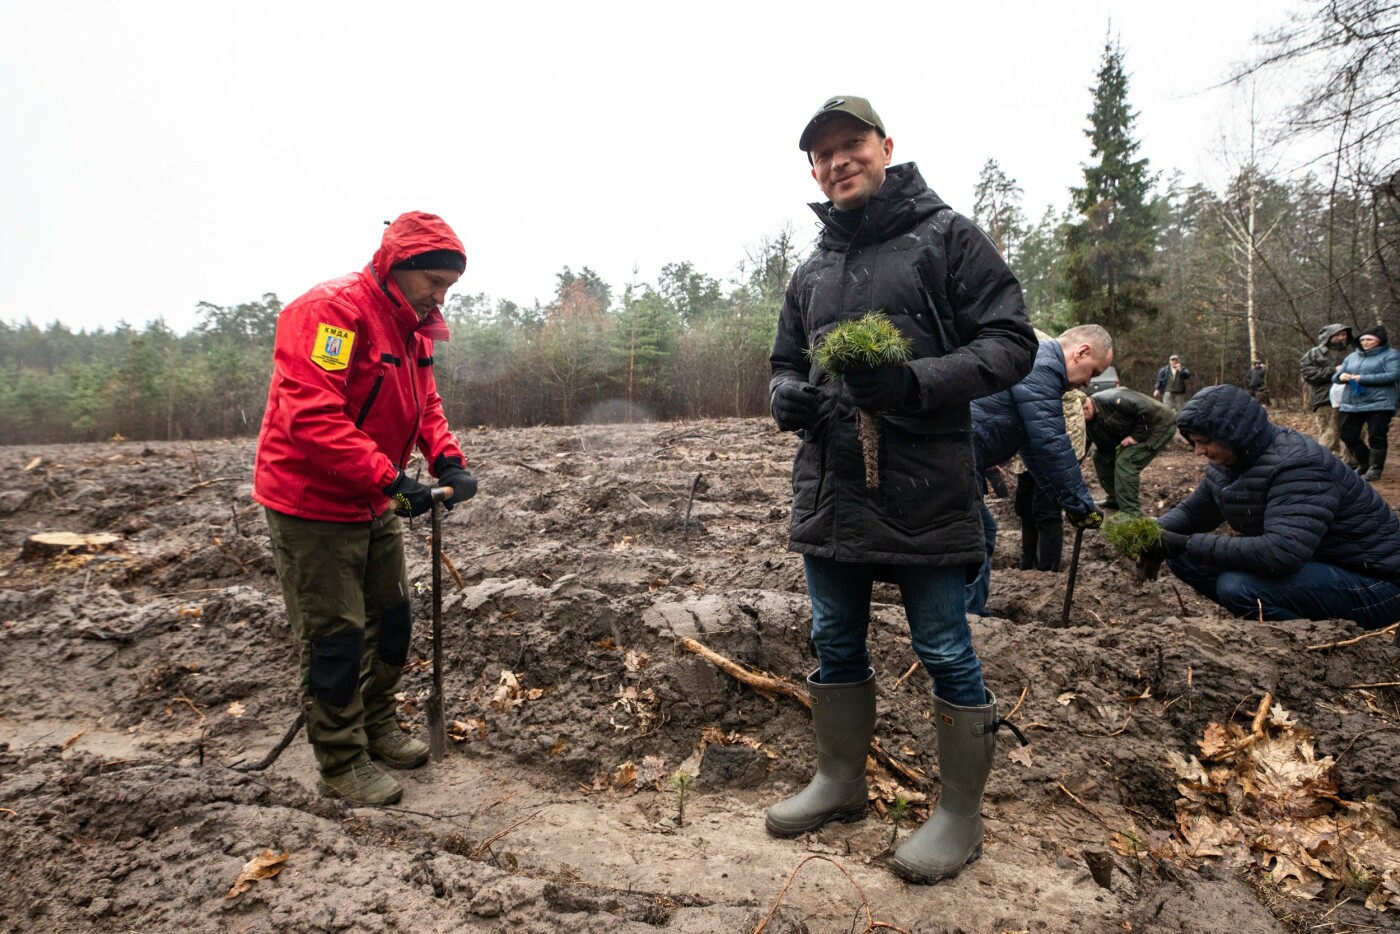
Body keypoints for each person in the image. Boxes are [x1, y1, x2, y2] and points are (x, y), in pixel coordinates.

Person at [767, 95, 1037, 884]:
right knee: (835, 637)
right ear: (812, 169)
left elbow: (1011, 342)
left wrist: (911, 382)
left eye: (852, 144)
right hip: (832, 486)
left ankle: (959, 815)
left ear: (886, 146)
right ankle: (840, 781)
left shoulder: (947, 236)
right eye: (823, 154)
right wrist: (787, 394)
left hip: (924, 482)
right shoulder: (812, 267)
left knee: (946, 646)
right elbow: (786, 361)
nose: (838, 160)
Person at [253, 212, 479, 807]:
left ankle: (376, 725)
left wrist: (447, 459)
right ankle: (341, 760)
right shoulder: (332, 314)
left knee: (392, 620)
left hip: (372, 497)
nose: (440, 296)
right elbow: (313, 417)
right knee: (336, 637)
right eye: (433, 281)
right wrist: (391, 481)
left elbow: (425, 402)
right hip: (312, 503)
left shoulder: (416, 329)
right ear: (397, 267)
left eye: (449, 287)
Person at [1144, 385, 1400, 629]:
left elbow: (1281, 553)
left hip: (1379, 585)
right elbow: (1194, 512)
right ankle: (1265, 617)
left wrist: (1186, 543)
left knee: (1239, 587)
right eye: (1194, 442)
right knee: (1183, 559)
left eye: (1205, 442)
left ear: (1232, 434)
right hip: (1318, 565)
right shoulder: (1229, 462)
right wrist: (1150, 535)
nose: (1199, 452)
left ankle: (1309, 641)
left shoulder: (1298, 466)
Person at [966, 325, 1114, 613]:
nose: (1088, 384)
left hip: (964, 454)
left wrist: (1066, 501)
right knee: (977, 534)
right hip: (959, 455)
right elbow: (1051, 441)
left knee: (979, 531)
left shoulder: (1039, 365)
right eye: (1094, 373)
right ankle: (967, 616)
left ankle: (968, 612)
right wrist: (1080, 505)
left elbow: (1035, 452)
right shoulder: (1041, 365)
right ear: (1081, 352)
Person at [1012, 389, 1089, 572]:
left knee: (1046, 508)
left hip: (1055, 443)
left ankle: (1047, 569)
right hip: (1029, 441)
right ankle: (1027, 562)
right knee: (1025, 506)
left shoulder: (1047, 376)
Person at [1082, 387, 1177, 517]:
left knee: (1127, 461)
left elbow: (1145, 410)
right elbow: (1081, 446)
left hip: (1158, 424)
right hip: (1133, 428)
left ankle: (1131, 512)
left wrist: (1136, 437)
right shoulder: (1086, 419)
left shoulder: (1113, 398)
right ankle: (1115, 499)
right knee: (1100, 457)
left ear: (1086, 407)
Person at [1335, 325, 1400, 482]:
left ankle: (1375, 469)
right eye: (1363, 339)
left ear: (1380, 340)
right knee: (1347, 434)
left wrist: (1361, 378)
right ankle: (1365, 463)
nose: (1365, 342)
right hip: (1352, 402)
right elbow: (1335, 376)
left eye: (1369, 339)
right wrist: (1340, 376)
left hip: (1380, 403)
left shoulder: (1391, 355)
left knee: (1376, 436)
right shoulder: (1352, 357)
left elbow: (1393, 375)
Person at [1299, 324, 1354, 457]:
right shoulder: (1314, 353)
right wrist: (1334, 370)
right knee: (1330, 432)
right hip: (1325, 397)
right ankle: (1329, 462)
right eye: (1337, 335)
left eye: (1344, 334)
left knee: (1354, 431)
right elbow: (1307, 373)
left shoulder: (1354, 351)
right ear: (1328, 336)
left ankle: (1353, 462)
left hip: (1353, 396)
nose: (1341, 338)